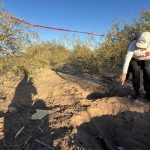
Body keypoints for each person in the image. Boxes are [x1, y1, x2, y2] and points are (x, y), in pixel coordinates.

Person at [120, 31, 150, 100]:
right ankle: (137, 93)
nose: (140, 48)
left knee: (148, 74)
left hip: (148, 59)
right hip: (135, 59)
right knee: (136, 74)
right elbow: (127, 59)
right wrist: (124, 73)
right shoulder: (133, 44)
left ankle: (148, 93)